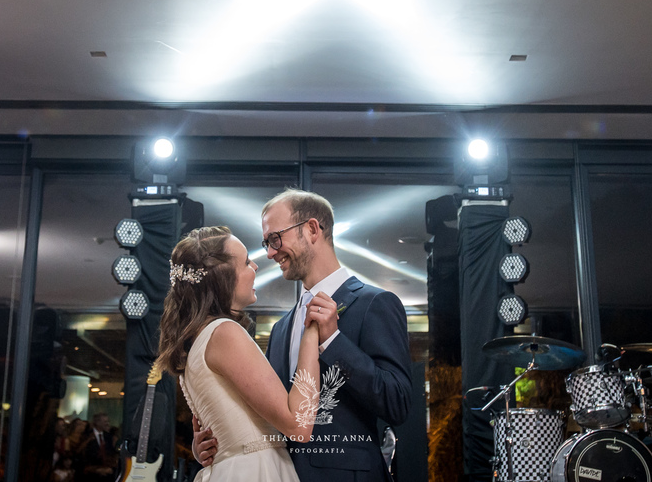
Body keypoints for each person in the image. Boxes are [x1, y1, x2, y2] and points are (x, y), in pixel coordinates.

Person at [194, 190, 412, 482]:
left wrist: (333, 341)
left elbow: (397, 403)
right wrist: (220, 444)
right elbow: (272, 412)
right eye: (267, 243)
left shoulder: (375, 303)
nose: (270, 253)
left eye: (275, 238)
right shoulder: (281, 328)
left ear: (311, 229)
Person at [157, 225, 322, 482]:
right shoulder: (224, 333)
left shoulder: (199, 339)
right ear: (224, 277)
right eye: (246, 262)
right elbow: (299, 425)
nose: (255, 266)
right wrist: (311, 333)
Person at [77, 412, 119, 482]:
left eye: (108, 421)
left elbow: (111, 453)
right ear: (97, 422)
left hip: (107, 474)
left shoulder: (108, 436)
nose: (107, 424)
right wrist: (96, 469)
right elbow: (81, 455)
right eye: (105, 422)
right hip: (91, 475)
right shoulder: (86, 436)